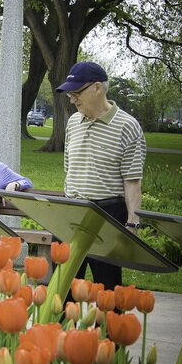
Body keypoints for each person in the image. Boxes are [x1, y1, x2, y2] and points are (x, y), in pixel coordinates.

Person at [56, 61, 146, 291]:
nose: (72, 98)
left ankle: (107, 329)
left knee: (108, 291)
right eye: (69, 93)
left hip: (107, 213)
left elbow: (132, 182)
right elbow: (70, 168)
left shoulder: (128, 126)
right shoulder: (73, 122)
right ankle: (64, 328)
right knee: (63, 289)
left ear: (97, 88)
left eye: (77, 92)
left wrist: (132, 226)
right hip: (72, 212)